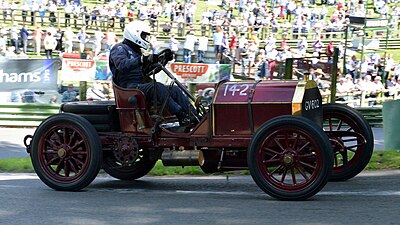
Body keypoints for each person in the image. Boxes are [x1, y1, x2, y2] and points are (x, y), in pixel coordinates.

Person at [109, 21, 196, 126]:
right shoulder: (119, 48)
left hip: (140, 85)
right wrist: (142, 59)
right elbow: (122, 65)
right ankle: (180, 114)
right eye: (144, 36)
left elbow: (147, 71)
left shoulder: (137, 51)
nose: (146, 39)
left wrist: (163, 60)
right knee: (157, 87)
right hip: (129, 87)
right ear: (135, 34)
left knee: (175, 90)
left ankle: (194, 116)